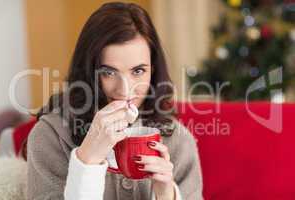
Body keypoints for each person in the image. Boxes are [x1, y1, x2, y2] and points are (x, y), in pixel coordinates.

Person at [27, 2, 203, 200]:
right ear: (88, 71)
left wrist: (166, 194)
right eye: (108, 72)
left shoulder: (177, 140)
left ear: (152, 70)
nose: (125, 90)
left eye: (138, 71)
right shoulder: (50, 137)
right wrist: (88, 161)